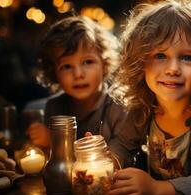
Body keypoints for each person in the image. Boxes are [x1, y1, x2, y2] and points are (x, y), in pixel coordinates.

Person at [105, 0, 191, 195]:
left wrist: (155, 189)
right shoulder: (143, 108)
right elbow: (123, 145)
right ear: (140, 63)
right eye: (160, 55)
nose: (173, 69)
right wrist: (107, 162)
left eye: (187, 58)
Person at [27, 15, 125, 154]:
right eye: (66, 66)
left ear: (105, 63)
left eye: (88, 62)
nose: (78, 74)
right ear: (54, 72)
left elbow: (119, 158)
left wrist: (55, 142)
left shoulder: (118, 107)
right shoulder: (54, 108)